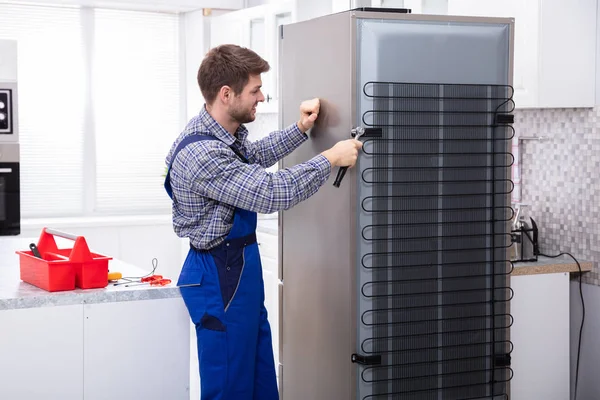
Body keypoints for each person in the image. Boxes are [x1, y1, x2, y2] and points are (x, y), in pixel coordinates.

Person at [164, 44, 362, 400]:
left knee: (258, 380)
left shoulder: (219, 133)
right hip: (218, 275)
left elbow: (254, 156)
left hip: (238, 269)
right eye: (254, 90)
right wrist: (330, 158)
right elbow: (271, 192)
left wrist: (301, 129)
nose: (261, 96)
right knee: (230, 385)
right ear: (227, 95)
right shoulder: (202, 152)